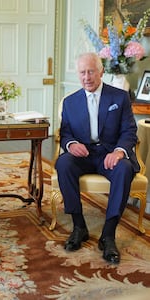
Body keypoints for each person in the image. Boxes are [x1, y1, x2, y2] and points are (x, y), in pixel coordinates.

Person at [55, 52, 139, 264]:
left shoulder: (119, 97)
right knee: (63, 162)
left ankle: (108, 235)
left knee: (124, 168)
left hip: (110, 154)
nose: (87, 77)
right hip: (83, 155)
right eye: (82, 72)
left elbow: (129, 131)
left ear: (101, 71)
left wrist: (119, 151)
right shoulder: (70, 102)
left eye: (91, 71)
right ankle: (79, 226)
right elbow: (65, 133)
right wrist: (71, 145)